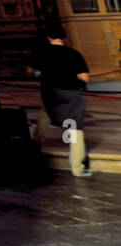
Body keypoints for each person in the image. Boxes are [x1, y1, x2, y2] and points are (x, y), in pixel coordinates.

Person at [28, 24, 92, 176]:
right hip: (70, 92)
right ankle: (77, 167)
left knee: (45, 114)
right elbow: (84, 77)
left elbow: (30, 71)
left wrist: (41, 74)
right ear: (64, 37)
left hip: (49, 91)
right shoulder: (74, 54)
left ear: (48, 37)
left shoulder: (41, 53)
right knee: (75, 126)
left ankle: (35, 146)